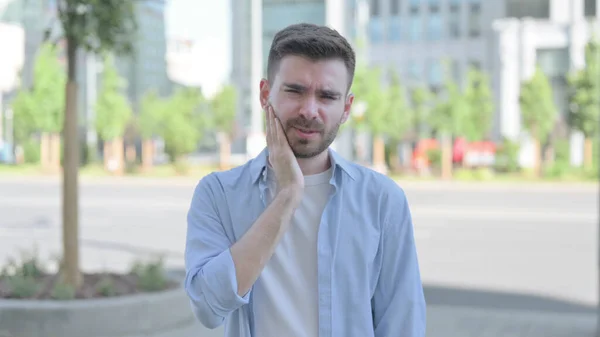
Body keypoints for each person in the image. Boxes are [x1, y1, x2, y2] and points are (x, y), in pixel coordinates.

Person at [184, 23, 426, 337]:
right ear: (264, 94)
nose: (309, 110)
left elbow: (402, 324)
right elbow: (207, 306)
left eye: (327, 96)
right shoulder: (218, 193)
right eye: (295, 90)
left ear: (346, 108)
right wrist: (287, 197)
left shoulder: (382, 200)